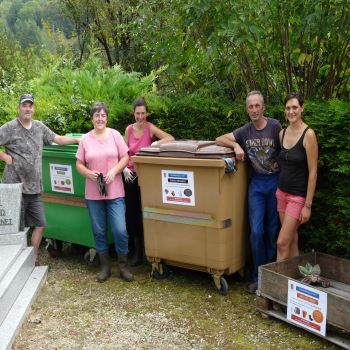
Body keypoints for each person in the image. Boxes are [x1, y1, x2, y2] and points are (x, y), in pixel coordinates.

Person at [0, 94, 80, 264]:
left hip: (35, 187)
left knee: (40, 224)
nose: (27, 109)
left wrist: (78, 139)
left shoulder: (39, 127)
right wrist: (5, 157)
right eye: (24, 105)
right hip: (15, 188)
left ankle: (33, 258)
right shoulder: (9, 127)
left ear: (33, 108)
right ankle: (14, 263)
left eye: (30, 106)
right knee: (16, 228)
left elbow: (57, 139)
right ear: (19, 108)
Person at [216, 90, 281, 294]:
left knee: (272, 232)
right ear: (247, 110)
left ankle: (269, 275)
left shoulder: (275, 126)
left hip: (275, 182)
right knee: (256, 232)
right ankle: (257, 276)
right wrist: (236, 145)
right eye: (250, 106)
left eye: (257, 106)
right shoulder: (245, 131)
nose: (254, 110)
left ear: (263, 107)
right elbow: (219, 138)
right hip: (257, 184)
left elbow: (287, 147)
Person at [76, 102, 133, 282]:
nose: (100, 118)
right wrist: (88, 173)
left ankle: (123, 266)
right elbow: (78, 164)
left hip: (115, 191)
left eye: (103, 115)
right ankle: (105, 267)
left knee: (120, 230)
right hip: (94, 194)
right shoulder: (86, 139)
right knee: (99, 231)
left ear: (106, 118)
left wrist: (114, 171)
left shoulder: (115, 135)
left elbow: (126, 157)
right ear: (92, 118)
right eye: (96, 115)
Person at [123, 97, 174, 266]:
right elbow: (123, 151)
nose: (140, 117)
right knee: (131, 214)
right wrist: (123, 167)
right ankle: (136, 252)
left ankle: (149, 252)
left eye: (143, 113)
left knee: (146, 212)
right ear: (133, 113)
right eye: (137, 113)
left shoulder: (150, 128)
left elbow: (170, 138)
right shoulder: (129, 130)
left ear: (147, 113)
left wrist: (156, 143)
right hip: (130, 176)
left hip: (146, 176)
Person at [276, 92, 318, 261]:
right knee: (292, 240)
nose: (291, 111)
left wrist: (307, 205)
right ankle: (295, 281)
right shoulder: (282, 133)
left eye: (294, 107)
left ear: (302, 108)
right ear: (284, 111)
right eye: (288, 108)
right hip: (281, 194)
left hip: (297, 198)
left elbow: (313, 171)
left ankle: (277, 285)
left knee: (281, 243)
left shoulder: (309, 135)